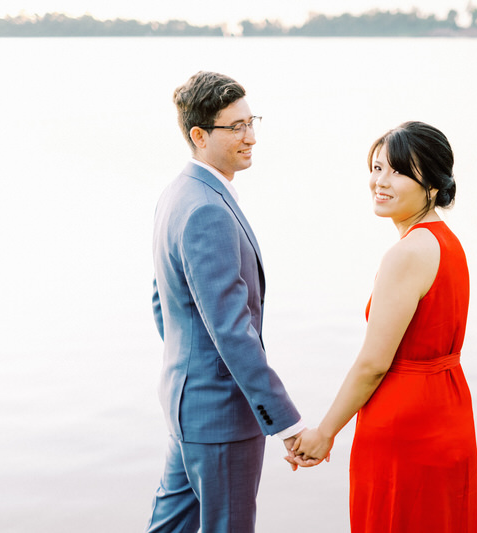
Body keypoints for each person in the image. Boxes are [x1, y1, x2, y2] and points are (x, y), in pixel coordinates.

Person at [290, 121, 477, 532]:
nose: (380, 181)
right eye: (376, 168)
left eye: (397, 171)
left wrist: (325, 432)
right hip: (448, 412)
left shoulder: (406, 254)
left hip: (404, 426)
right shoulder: (447, 242)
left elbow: (373, 363)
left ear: (431, 183)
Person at [146, 71, 306, 533]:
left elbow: (163, 301)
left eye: (250, 122)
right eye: (234, 127)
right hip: (219, 416)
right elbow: (232, 330)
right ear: (198, 135)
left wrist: (190, 366)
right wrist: (286, 422)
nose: (250, 136)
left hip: (185, 403)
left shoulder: (178, 193)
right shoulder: (207, 209)